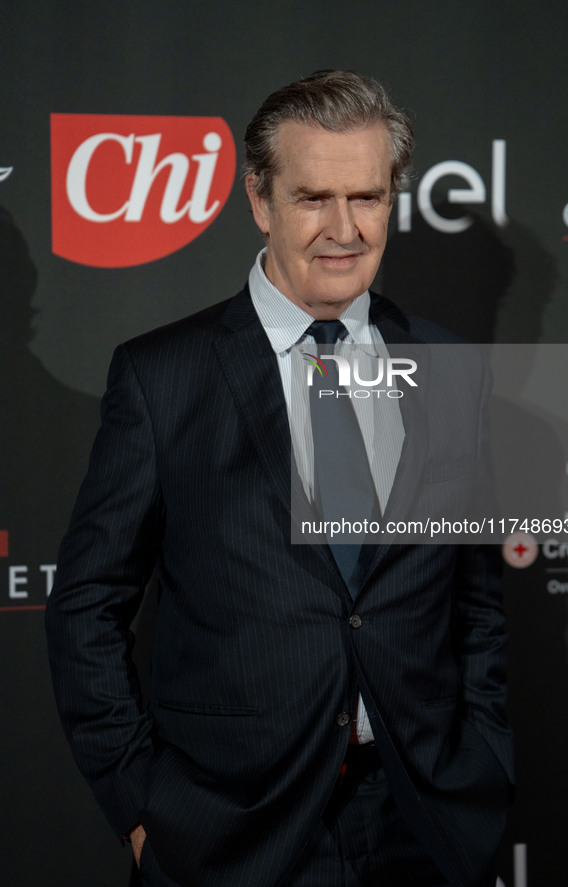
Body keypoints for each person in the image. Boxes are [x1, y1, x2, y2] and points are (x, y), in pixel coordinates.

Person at [46, 70, 513, 887]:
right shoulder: (164, 377)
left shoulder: (448, 365)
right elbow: (87, 603)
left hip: (422, 820)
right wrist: (139, 803)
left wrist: (481, 760)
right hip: (230, 833)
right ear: (259, 201)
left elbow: (474, 601)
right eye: (312, 199)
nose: (343, 228)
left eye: (366, 197)